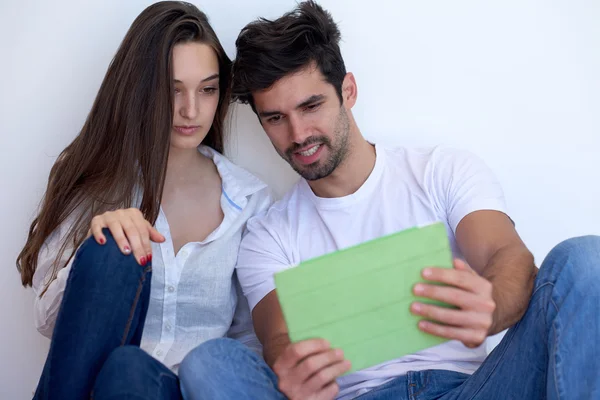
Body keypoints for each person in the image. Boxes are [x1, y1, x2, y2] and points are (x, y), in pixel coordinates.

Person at [178, 1, 600, 399]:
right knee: (210, 361)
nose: (298, 133)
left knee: (585, 259)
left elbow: (508, 257)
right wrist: (293, 370)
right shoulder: (268, 235)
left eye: (312, 106)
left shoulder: (440, 171)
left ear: (348, 90)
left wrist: (491, 306)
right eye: (275, 118)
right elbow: (279, 338)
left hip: (471, 390)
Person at [16, 2, 271, 399]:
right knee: (114, 263)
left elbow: (248, 342)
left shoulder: (250, 199)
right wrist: (93, 242)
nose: (191, 110)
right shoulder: (97, 181)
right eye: (173, 90)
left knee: (131, 369)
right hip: (94, 387)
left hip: (184, 391)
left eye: (207, 89)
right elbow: (49, 322)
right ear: (140, 89)